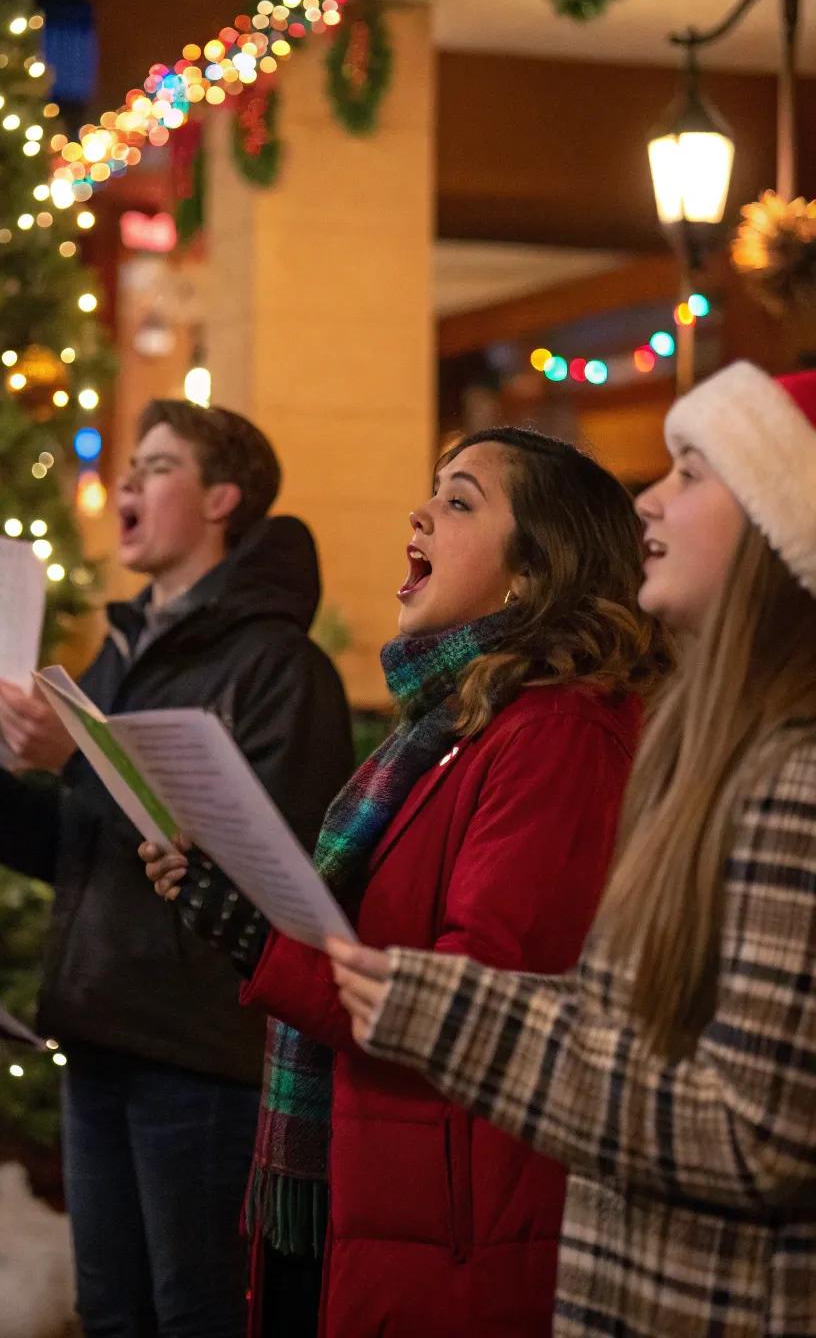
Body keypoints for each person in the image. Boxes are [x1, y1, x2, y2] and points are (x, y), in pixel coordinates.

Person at [142, 427, 670, 1338]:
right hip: (384, 1197)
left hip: (459, 1233)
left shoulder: (559, 734)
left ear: (535, 575)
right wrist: (242, 891)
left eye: (460, 501)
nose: (419, 514)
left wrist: (263, 939)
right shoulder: (456, 725)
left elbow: (477, 1003)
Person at [329, 363, 816, 1338]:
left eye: (692, 472)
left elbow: (753, 1131)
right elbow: (629, 1018)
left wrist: (443, 1009)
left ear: (780, 522)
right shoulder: (707, 749)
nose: (648, 497)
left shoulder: (789, 779)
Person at [0, 399, 355, 1338]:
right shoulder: (125, 653)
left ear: (223, 497)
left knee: (194, 1315)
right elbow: (82, 845)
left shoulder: (280, 667)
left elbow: (257, 862)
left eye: (157, 466)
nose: (126, 482)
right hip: (101, 1032)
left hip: (197, 1053)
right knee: (110, 1311)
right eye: (130, 465)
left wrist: (75, 759)